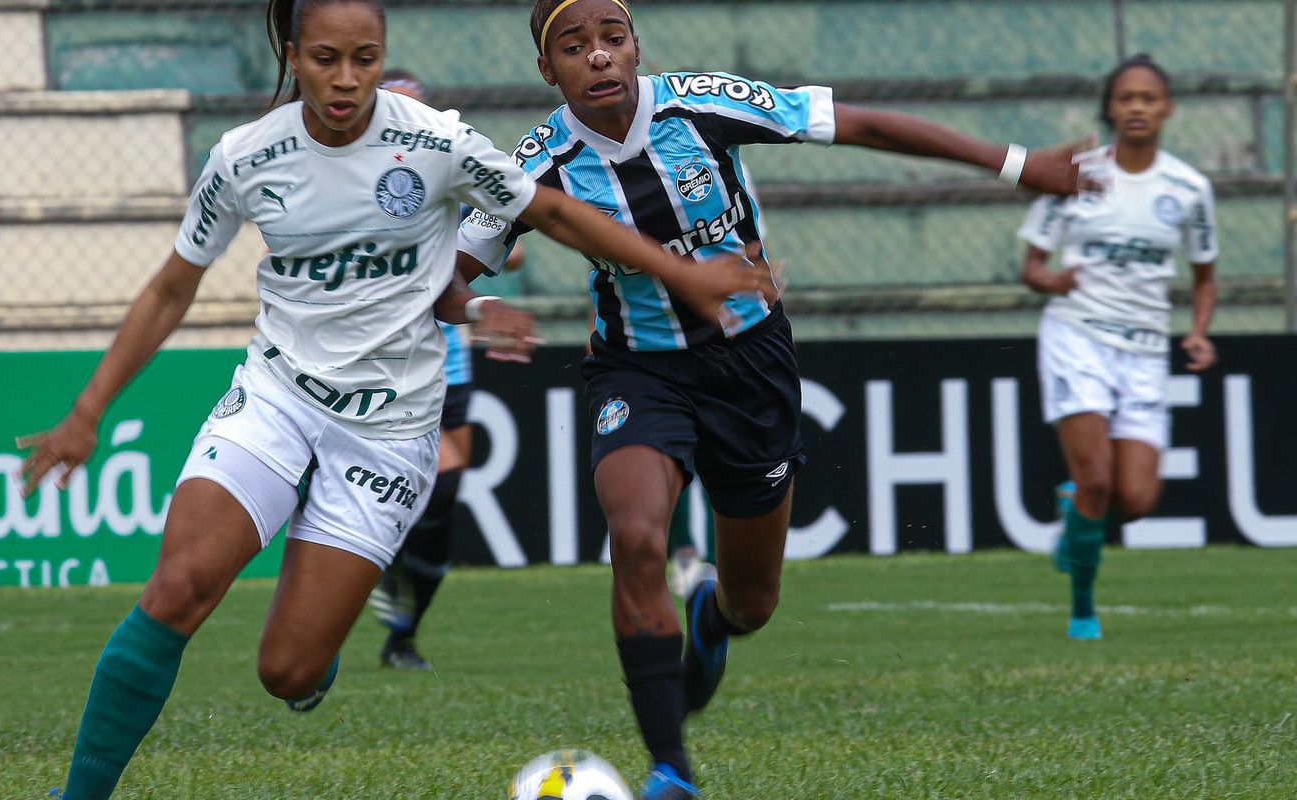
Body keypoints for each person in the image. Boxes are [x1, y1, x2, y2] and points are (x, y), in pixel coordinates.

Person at [17, 0, 763, 795]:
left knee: (287, 671)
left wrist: (681, 273)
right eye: (327, 59)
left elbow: (546, 208)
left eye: (365, 59)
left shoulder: (434, 140)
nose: (346, 80)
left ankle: (318, 643)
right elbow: (171, 290)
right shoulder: (245, 156)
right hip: (275, 398)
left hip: (388, 431)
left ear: (382, 56)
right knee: (177, 589)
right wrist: (88, 411)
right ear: (295, 54)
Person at [455, 1, 1084, 796]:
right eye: (575, 49)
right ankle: (669, 770)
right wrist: (480, 309)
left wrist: (1020, 164)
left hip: (750, 366)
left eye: (613, 40)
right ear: (549, 71)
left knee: (754, 603)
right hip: (638, 372)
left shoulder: (702, 104)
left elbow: (863, 126)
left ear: (637, 46)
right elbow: (450, 271)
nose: (600, 59)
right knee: (639, 536)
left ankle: (712, 614)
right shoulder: (536, 162)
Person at [1018, 53, 1217, 642]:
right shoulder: (1077, 174)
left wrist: (1199, 330)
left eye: (1149, 98)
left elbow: (1204, 276)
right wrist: (1051, 280)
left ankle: (1072, 511)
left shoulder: (1189, 189)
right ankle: (1083, 610)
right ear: (1110, 107)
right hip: (1077, 335)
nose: (1137, 107)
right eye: (1126, 97)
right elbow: (1032, 264)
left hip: (1146, 349)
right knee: (1099, 480)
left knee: (1134, 499)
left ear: (1168, 109)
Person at [367, 68, 529, 670]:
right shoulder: (355, 183)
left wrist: (497, 248)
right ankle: (365, 575)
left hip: (445, 359)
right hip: (376, 364)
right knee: (382, 491)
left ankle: (402, 630)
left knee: (446, 489)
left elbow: (508, 243)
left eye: (419, 109)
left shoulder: (448, 170)